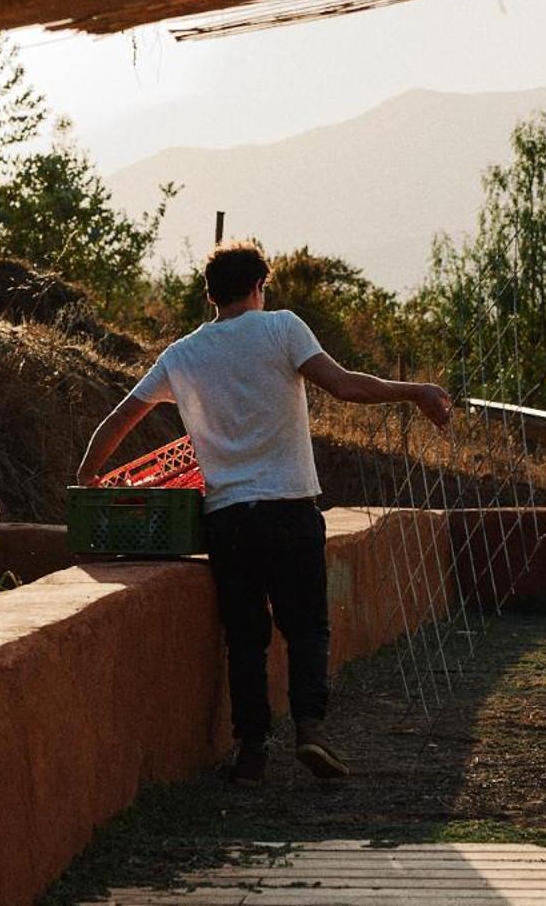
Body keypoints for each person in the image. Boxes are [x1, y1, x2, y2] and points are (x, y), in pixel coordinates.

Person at [77, 241, 452, 785]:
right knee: (305, 627)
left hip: (228, 517)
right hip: (290, 507)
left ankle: (251, 748)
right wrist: (415, 391)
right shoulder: (281, 328)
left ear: (209, 294)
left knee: (245, 636)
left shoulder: (182, 354)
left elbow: (121, 416)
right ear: (259, 285)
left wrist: (89, 477)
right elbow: (344, 386)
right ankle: (310, 730)